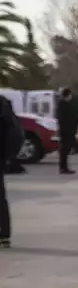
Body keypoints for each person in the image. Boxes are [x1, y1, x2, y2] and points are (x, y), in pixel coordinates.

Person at [0, 92, 24, 249]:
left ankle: (4, 234)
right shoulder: (4, 104)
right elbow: (17, 134)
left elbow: (14, 134)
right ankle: (4, 234)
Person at [56, 88, 78, 175]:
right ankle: (63, 167)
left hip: (68, 130)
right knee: (64, 150)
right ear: (67, 95)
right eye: (70, 95)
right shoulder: (62, 105)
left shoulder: (65, 104)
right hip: (66, 130)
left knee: (66, 149)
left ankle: (64, 167)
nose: (71, 97)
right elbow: (64, 119)